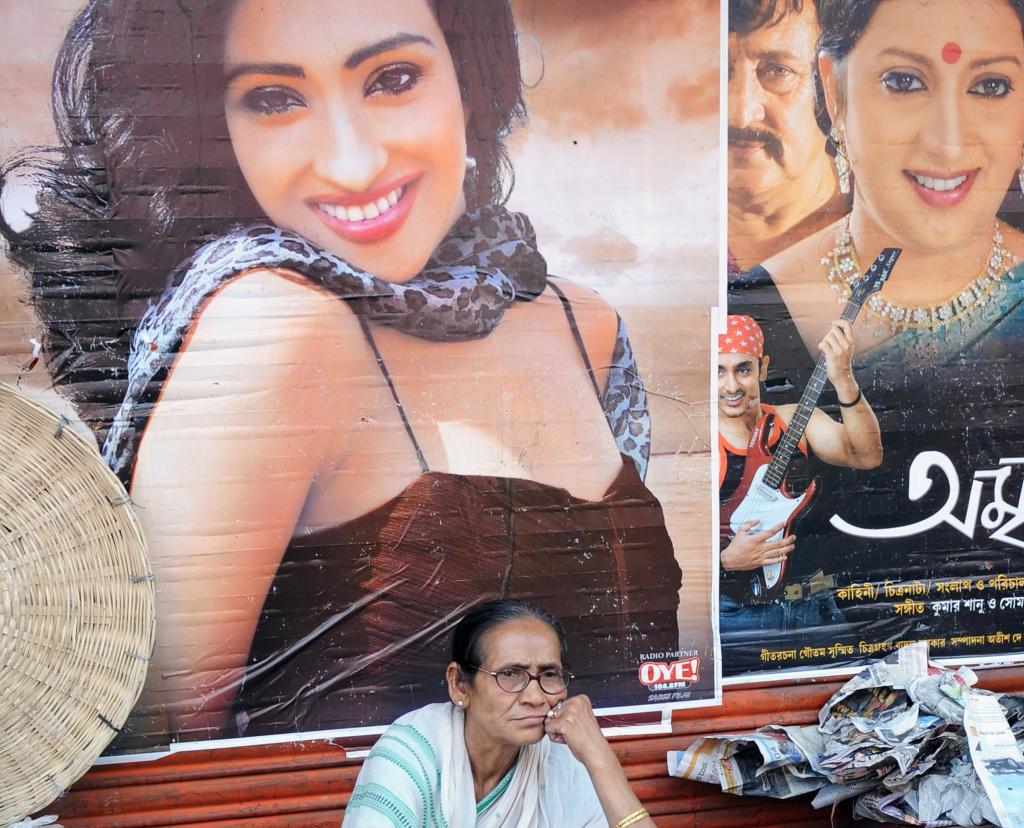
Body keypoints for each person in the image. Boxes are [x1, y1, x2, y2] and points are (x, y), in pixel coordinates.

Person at [0, 0, 682, 743]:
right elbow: (165, 768)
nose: (352, 163)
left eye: (392, 79)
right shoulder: (272, 329)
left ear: (468, 78)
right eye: (274, 98)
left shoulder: (585, 324)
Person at [732, 0, 1024, 379]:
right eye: (904, 81)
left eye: (990, 86)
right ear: (835, 92)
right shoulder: (755, 308)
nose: (949, 142)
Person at [343, 600, 655, 828]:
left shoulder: (559, 760)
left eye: (549, 674)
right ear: (459, 685)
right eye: (509, 674)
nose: (535, 697)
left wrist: (599, 757)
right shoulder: (410, 756)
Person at [716, 314, 881, 639]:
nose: (731, 386)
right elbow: (673, 548)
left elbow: (867, 455)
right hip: (737, 615)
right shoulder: (701, 443)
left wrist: (844, 377)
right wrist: (724, 562)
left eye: (743, 369)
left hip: (813, 603)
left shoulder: (794, 420)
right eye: (718, 372)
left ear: (763, 368)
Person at [728, 0, 846, 272]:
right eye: (720, 70)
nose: (740, 113)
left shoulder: (889, 223)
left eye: (777, 70)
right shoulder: (654, 235)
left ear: (833, 88)